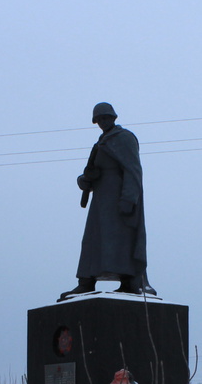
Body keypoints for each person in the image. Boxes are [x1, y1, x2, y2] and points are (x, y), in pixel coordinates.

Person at [60, 103, 154, 300]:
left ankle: (130, 282)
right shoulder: (101, 142)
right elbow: (93, 172)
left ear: (113, 117)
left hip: (118, 200)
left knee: (122, 240)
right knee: (93, 241)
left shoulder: (124, 138)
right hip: (100, 201)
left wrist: (128, 198)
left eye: (106, 118)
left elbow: (133, 170)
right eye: (99, 119)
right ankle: (85, 282)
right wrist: (84, 180)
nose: (103, 122)